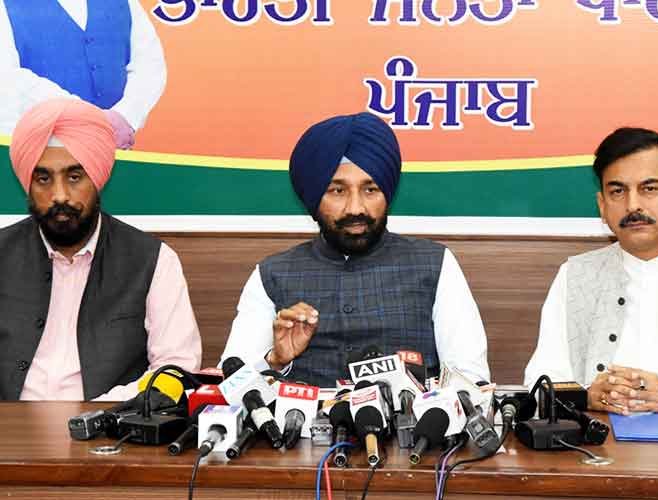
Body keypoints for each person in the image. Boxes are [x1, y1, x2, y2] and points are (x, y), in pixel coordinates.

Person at [220, 112, 489, 387]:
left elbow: (470, 380)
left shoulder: (435, 265)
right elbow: (230, 384)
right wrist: (276, 361)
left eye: (370, 189)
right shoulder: (272, 274)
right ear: (314, 197)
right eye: (337, 191)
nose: (356, 208)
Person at [0, 98, 200, 401]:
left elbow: (176, 368)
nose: (59, 195)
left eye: (74, 177)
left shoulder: (154, 260)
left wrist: (103, 413)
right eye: (43, 178)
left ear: (97, 177)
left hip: (112, 425)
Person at [524, 127, 658, 413]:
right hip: (597, 438)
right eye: (618, 191)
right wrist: (586, 396)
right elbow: (540, 382)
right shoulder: (576, 275)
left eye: (649, 189)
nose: (633, 205)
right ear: (602, 206)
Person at [0, 0, 167, 148]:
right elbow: (8, 77)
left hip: (115, 151)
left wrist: (125, 116)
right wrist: (89, 119)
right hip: (41, 152)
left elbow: (149, 62)